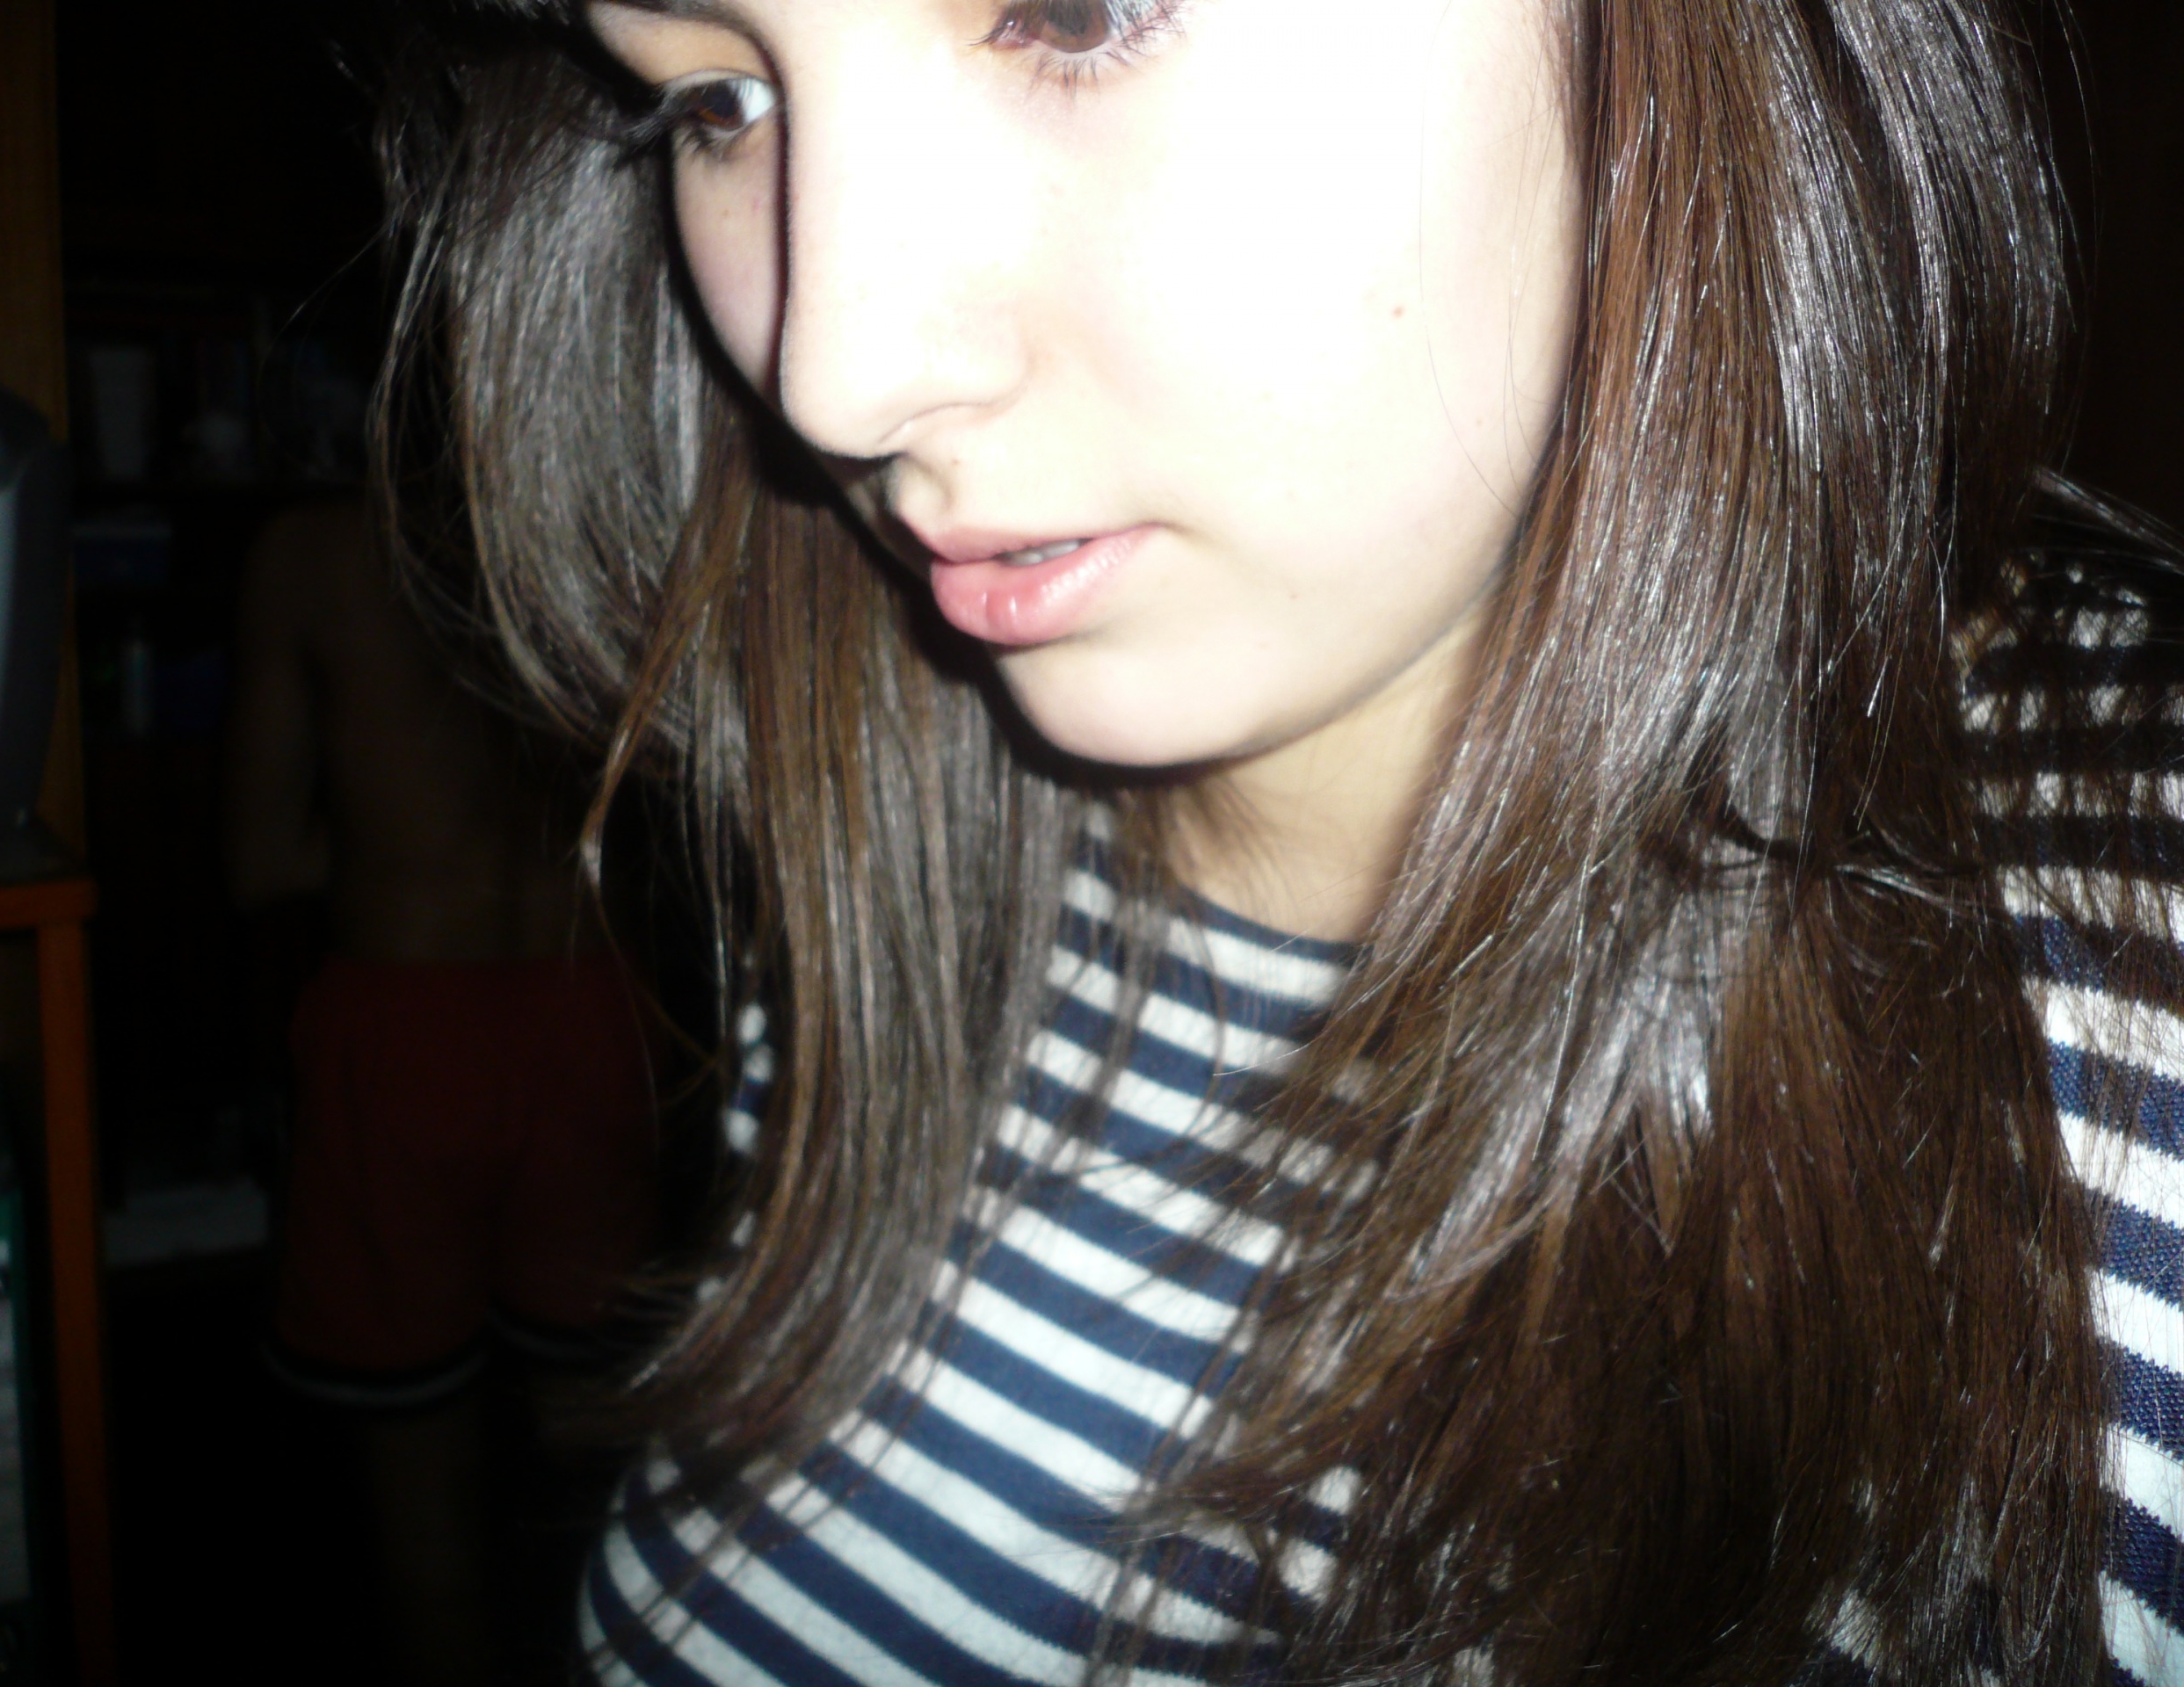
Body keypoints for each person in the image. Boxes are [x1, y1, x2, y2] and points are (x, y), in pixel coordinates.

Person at [369, 0, 2184, 1682]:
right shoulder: (889, 841)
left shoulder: (2120, 1084)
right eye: (718, 102)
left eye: (1079, 15)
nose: (828, 373)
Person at [223, 496, 664, 1686]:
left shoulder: (313, 552)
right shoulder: (607, 512)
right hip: (592, 1009)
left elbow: (258, 859)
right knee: (585, 1465)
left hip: (408, 1025)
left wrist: (396, 853)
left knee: (421, 1496)